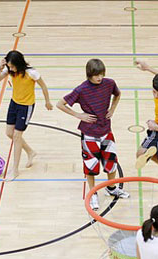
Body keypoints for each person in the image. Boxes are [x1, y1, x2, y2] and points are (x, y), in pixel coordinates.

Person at [57, 58, 129, 211]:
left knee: (111, 162)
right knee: (90, 166)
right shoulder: (81, 89)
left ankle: (111, 188)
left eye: (102, 74)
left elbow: (117, 94)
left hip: (106, 131)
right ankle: (93, 193)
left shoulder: (109, 83)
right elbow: (60, 104)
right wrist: (78, 115)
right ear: (89, 74)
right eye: (97, 75)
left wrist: (112, 109)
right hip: (89, 134)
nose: (100, 77)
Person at [0, 50, 53, 179]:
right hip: (14, 103)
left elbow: (43, 86)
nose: (11, 69)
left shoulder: (32, 73)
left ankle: (15, 169)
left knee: (17, 136)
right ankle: (30, 152)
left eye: (12, 66)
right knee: (9, 133)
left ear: (19, 64)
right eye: (9, 66)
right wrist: (0, 68)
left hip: (26, 106)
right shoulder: (10, 70)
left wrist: (47, 101)